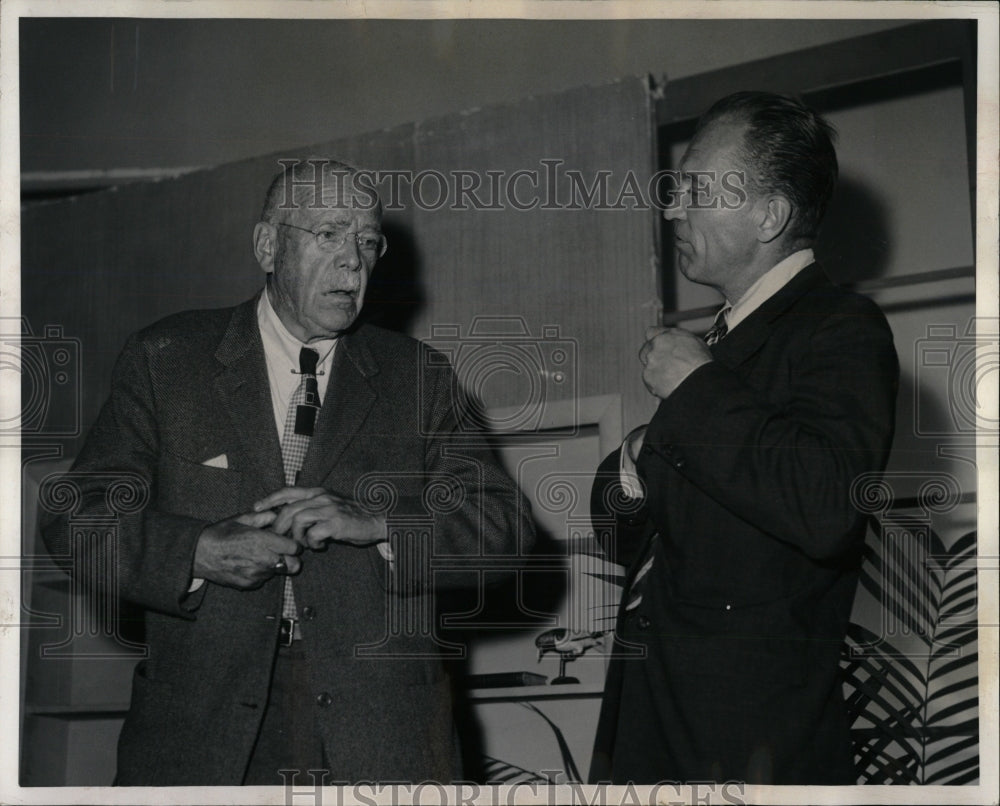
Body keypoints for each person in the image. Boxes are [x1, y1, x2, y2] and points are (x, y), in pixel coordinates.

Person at [41, 159, 534, 785]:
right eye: (329, 233)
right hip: (204, 733)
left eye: (369, 241)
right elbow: (75, 514)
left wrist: (378, 523)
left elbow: (504, 529)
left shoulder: (420, 377)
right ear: (268, 245)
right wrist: (195, 552)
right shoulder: (166, 360)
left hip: (384, 735)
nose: (355, 262)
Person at [589, 92, 899, 785]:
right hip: (653, 729)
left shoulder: (840, 328)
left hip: (750, 750)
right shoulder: (721, 350)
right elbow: (622, 542)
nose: (673, 209)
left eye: (695, 188)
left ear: (771, 215)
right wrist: (636, 461)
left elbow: (827, 509)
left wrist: (695, 390)